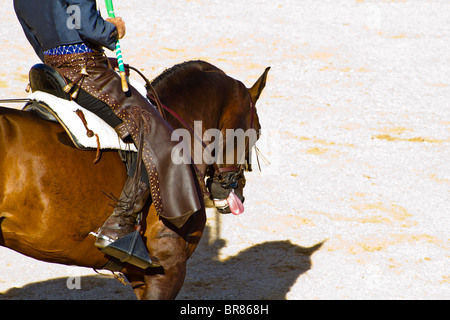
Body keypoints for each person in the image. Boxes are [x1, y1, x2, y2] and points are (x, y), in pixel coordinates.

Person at [14, 0, 202, 268]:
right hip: (85, 72)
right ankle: (119, 225)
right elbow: (87, 24)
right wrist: (112, 31)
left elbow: (41, 38)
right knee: (155, 134)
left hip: (51, 69)